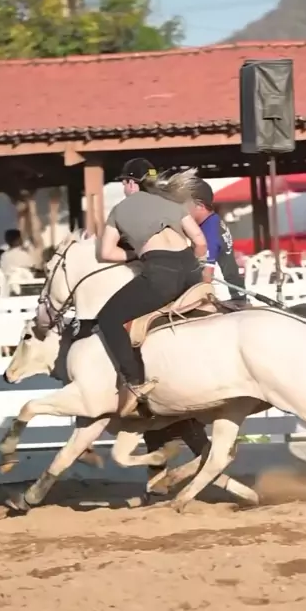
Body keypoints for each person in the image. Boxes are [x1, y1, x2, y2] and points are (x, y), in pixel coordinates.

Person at [97, 157, 208, 417]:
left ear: (130, 183)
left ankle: (134, 382)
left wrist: (135, 255)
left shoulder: (120, 210)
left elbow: (105, 253)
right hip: (191, 272)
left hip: (160, 275)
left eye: (124, 183)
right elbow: (200, 241)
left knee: (108, 318)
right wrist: (195, 266)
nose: (124, 188)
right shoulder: (171, 204)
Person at [190, 179, 247, 303]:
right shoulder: (214, 220)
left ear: (200, 206)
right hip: (235, 293)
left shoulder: (208, 232)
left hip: (223, 300)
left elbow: (206, 277)